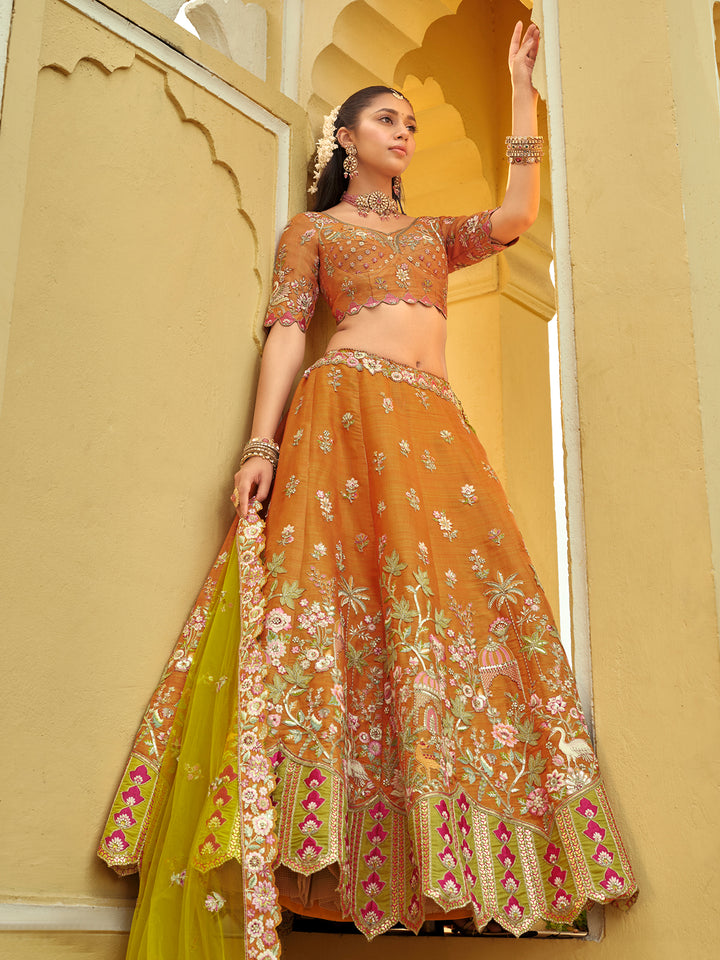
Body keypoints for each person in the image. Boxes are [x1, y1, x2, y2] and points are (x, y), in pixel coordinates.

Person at [99, 21, 637, 960]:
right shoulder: (311, 232)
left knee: (456, 607)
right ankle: (309, 846)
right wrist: (258, 445)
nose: (405, 132)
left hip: (432, 426)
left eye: (415, 124)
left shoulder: (432, 235)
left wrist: (518, 92)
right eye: (388, 118)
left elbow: (512, 218)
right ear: (344, 138)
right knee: (338, 605)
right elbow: (285, 333)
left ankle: (447, 851)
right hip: (344, 416)